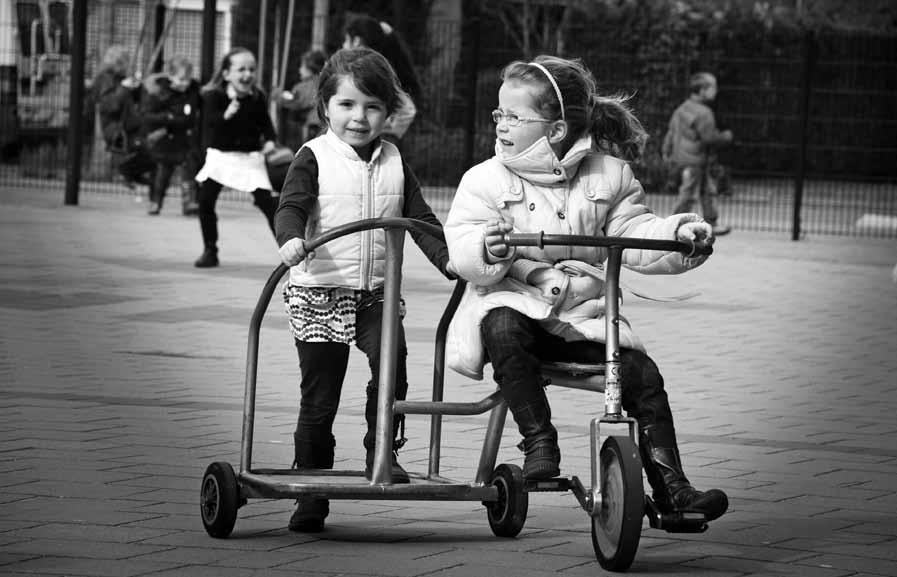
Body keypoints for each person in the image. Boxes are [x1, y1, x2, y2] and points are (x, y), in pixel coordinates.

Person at [444, 55, 729, 523]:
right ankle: (538, 440)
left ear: (555, 131)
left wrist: (678, 237)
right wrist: (488, 248)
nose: (500, 124)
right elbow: (462, 247)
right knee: (499, 324)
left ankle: (672, 486)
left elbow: (636, 231)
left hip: (584, 320)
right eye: (499, 113)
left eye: (514, 116)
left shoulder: (608, 175)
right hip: (518, 304)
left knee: (643, 376)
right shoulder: (484, 180)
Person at [274, 47, 453, 533]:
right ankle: (311, 486)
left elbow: (421, 219)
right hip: (322, 292)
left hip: (377, 290)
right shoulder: (312, 157)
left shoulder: (395, 160)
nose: (360, 117)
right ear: (325, 107)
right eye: (348, 105)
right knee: (320, 397)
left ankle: (381, 452)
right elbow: (290, 207)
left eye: (373, 107)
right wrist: (292, 240)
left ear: (389, 113)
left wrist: (449, 260)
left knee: (393, 371)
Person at [193, 47, 279, 268]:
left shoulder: (258, 97)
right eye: (241, 69)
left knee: (267, 204)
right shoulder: (213, 96)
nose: (247, 74)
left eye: (252, 69)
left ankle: (289, 251)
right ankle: (210, 250)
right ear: (226, 74)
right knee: (205, 201)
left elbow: (267, 126)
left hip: (249, 159)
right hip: (221, 157)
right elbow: (210, 125)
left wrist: (270, 141)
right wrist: (225, 115)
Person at [662, 72, 734, 236]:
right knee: (688, 193)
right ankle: (673, 225)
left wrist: (666, 151)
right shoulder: (704, 113)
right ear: (702, 90)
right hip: (695, 160)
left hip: (684, 158)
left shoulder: (682, 108)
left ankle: (712, 222)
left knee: (707, 190)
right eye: (713, 87)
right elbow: (709, 138)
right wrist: (726, 136)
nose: (716, 91)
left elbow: (671, 132)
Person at [342, 14, 421, 147]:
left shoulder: (372, 75)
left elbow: (407, 110)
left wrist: (384, 130)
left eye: (345, 40)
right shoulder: (379, 72)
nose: (343, 45)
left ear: (356, 41)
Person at [140, 55, 202, 216]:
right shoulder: (160, 91)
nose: (185, 83)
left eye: (188, 79)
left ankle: (189, 203)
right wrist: (169, 119)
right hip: (165, 139)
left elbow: (192, 115)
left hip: (185, 139)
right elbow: (148, 116)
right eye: (181, 79)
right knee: (163, 173)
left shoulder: (193, 89)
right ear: (170, 76)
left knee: (189, 172)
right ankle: (155, 202)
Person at [90, 44, 155, 192]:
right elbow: (110, 105)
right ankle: (128, 172)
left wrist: (137, 87)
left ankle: (132, 174)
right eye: (126, 61)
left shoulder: (121, 78)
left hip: (131, 124)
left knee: (155, 149)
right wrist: (124, 88)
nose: (128, 65)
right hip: (117, 129)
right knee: (151, 150)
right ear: (118, 62)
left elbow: (133, 101)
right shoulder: (104, 79)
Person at [274, 49, 326, 145]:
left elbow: (295, 102)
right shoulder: (324, 83)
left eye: (302, 66)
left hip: (313, 126)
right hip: (324, 124)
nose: (299, 70)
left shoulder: (305, 86)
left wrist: (278, 96)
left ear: (310, 68)